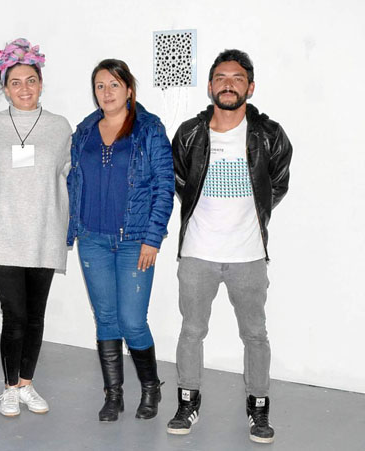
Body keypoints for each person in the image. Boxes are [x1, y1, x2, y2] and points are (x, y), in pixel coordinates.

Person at [167, 49, 292, 444]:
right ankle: (188, 401)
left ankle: (259, 408)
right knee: (191, 331)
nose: (228, 84)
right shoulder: (189, 133)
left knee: (255, 334)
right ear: (209, 86)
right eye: (221, 77)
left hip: (249, 255)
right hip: (198, 253)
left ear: (250, 87)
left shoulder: (269, 135)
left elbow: (277, 184)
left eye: (237, 78)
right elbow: (181, 181)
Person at [67, 59, 175, 422]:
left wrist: (153, 238)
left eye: (114, 85)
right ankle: (113, 394)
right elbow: (74, 182)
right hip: (93, 239)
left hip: (135, 241)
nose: (106, 92)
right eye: (100, 86)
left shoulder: (149, 129)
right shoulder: (84, 130)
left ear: (129, 89)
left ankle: (150, 387)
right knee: (106, 319)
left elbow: (165, 185)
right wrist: (76, 226)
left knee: (132, 320)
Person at [0, 38, 72, 417]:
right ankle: (8, 387)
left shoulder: (60, 127)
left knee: (35, 315)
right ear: (4, 87)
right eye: (15, 82)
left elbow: (69, 176)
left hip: (45, 235)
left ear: (41, 82)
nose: (24, 88)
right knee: (14, 315)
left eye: (31, 80)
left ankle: (27, 383)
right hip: (3, 238)